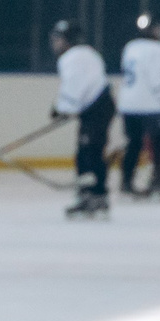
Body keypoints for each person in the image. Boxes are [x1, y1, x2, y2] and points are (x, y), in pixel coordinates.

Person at [50, 19, 113, 219]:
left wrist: (62, 108)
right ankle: (98, 195)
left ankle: (89, 196)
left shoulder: (71, 58)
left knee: (87, 153)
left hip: (95, 109)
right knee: (93, 151)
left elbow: (73, 86)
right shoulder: (88, 53)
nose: (55, 43)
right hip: (100, 106)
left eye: (58, 39)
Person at [115, 14, 160, 199]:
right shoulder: (159, 50)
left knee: (133, 144)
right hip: (151, 105)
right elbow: (159, 81)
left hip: (128, 104)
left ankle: (126, 182)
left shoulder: (130, 47)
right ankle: (159, 183)